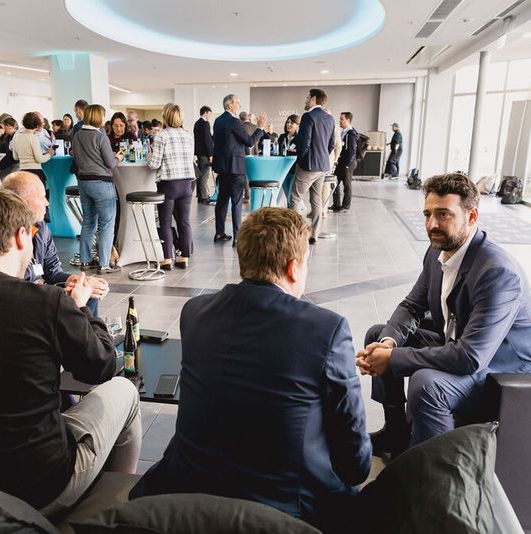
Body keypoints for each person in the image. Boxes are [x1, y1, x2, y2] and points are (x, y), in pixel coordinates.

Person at [131, 207, 371, 527]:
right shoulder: (326, 329)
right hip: (281, 508)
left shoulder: (196, 313)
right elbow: (354, 462)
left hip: (191, 488)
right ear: (293, 268)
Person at [0, 189, 141, 516]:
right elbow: (100, 367)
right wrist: (85, 307)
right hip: (35, 484)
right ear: (21, 237)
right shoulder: (46, 302)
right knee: (125, 391)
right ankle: (115, 504)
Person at [358, 173, 531, 455]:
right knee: (379, 334)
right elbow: (412, 305)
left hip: (510, 371)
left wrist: (392, 359)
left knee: (427, 384)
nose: (431, 224)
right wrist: (389, 344)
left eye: (443, 214)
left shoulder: (497, 272)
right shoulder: (438, 250)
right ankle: (396, 432)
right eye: (427, 214)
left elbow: (471, 357)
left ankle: (437, 472)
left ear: (472, 215)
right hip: (468, 347)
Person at [0, 171, 109, 316]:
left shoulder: (41, 228)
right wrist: (49, 291)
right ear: (21, 202)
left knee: (89, 292)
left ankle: (88, 335)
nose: (47, 202)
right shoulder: (1, 237)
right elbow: (7, 290)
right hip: (19, 306)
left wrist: (74, 281)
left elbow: (53, 272)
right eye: (42, 197)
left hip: (40, 294)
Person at [73, 104, 123, 274]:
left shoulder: (77, 135)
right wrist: (119, 157)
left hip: (83, 182)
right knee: (107, 224)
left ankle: (85, 261)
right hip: (101, 183)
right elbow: (110, 163)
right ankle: (104, 264)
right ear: (97, 117)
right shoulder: (100, 137)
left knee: (88, 222)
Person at [212, 94, 266, 247]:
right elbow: (249, 142)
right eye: (237, 103)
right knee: (236, 202)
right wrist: (260, 128)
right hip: (235, 168)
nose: (239, 106)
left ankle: (219, 232)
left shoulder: (217, 121)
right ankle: (237, 237)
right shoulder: (234, 121)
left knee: (222, 201)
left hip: (222, 168)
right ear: (230, 106)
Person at [149, 104, 194, 271]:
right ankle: (184, 257)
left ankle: (167, 259)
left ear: (165, 117)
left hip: (169, 184)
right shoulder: (188, 136)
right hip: (187, 183)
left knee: (166, 222)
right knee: (184, 222)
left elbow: (154, 164)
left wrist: (149, 156)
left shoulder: (162, 135)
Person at [290, 89, 334, 245]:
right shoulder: (329, 118)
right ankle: (314, 234)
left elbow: (304, 143)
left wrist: (301, 160)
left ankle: (297, 234)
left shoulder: (308, 116)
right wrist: (321, 155)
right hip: (323, 165)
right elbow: (330, 144)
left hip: (308, 166)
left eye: (308, 97)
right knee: (316, 200)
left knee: (295, 198)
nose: (306, 100)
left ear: (314, 99)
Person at [10, 111, 54, 187]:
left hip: (22, 172)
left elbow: (15, 157)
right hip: (35, 173)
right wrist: (50, 153)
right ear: (37, 125)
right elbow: (39, 159)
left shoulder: (17, 136)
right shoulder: (33, 137)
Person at [330, 112, 358, 213]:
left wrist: (346, 165)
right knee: (334, 183)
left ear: (348, 120)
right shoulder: (343, 132)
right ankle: (336, 204)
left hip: (347, 164)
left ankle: (345, 206)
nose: (340, 121)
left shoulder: (351, 134)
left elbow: (351, 152)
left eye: (342, 119)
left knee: (347, 185)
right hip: (340, 163)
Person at [193, 105, 214, 204]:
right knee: (204, 176)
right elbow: (207, 140)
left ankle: (200, 196)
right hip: (205, 153)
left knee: (200, 175)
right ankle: (204, 197)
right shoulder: (205, 123)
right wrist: (210, 154)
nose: (210, 116)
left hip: (199, 152)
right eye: (209, 113)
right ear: (206, 112)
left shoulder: (197, 123)